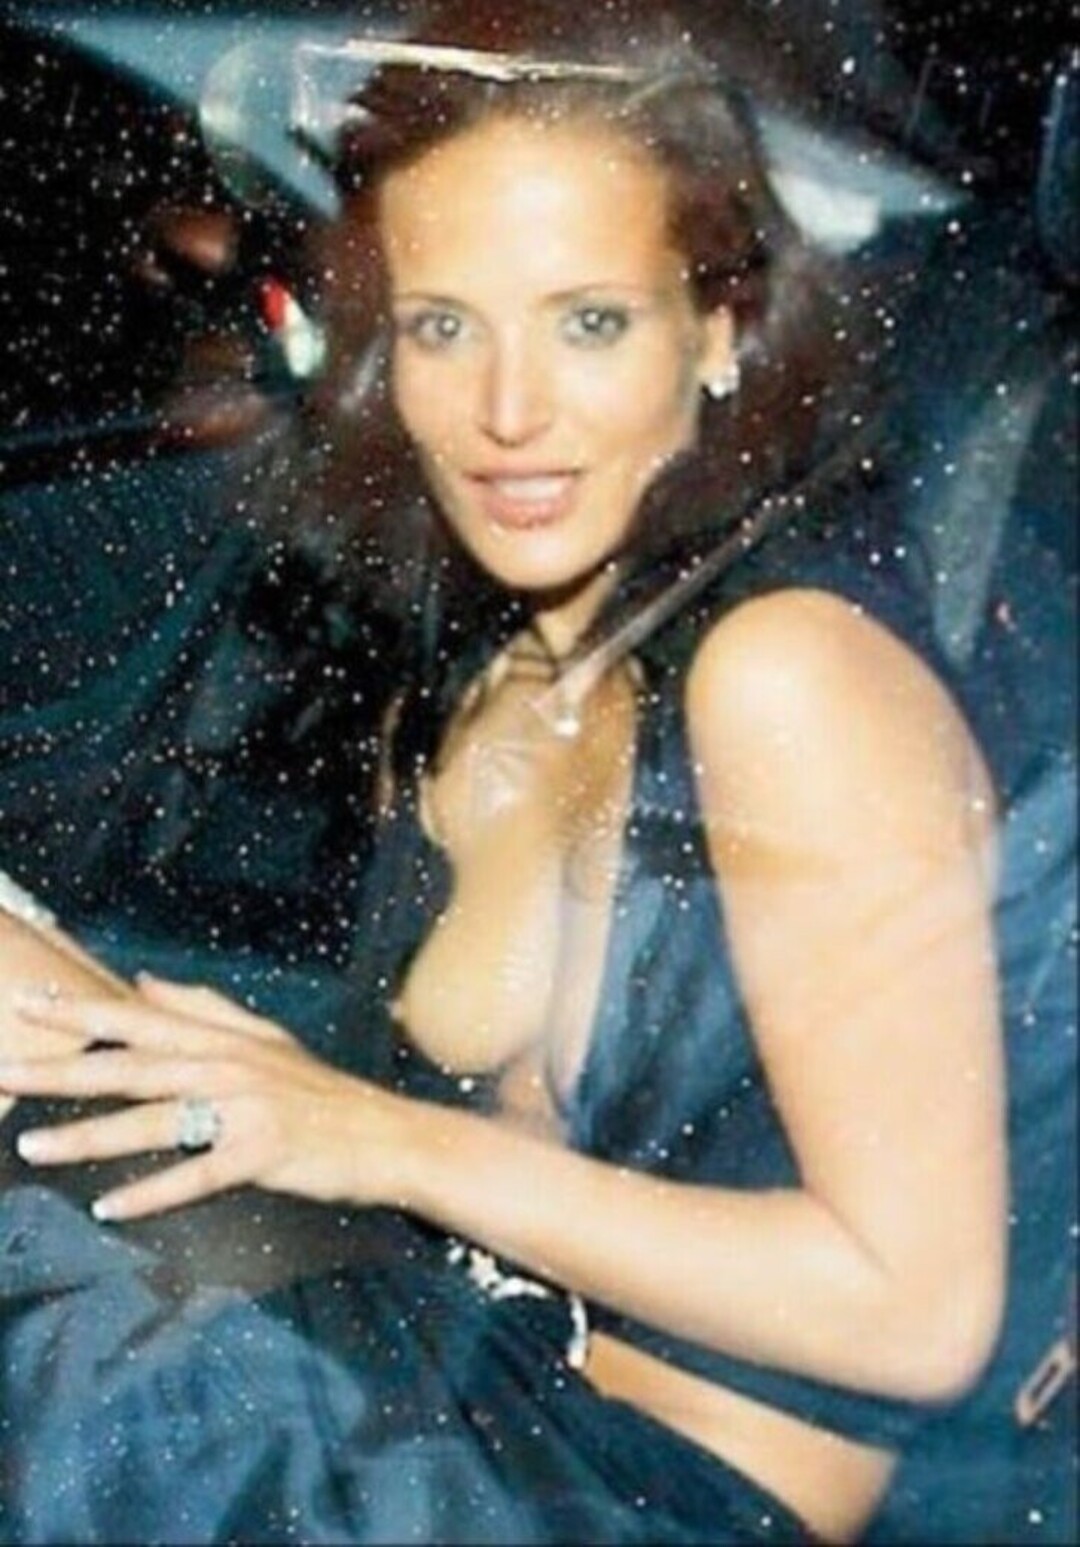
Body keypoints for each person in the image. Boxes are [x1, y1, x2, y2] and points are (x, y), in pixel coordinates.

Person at [0, 2, 1012, 1541]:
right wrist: (189, 1052)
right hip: (462, 1357)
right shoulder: (527, 653)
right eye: (442, 326)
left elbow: (917, 1311)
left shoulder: (786, 674)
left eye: (588, 322)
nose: (506, 411)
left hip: (612, 1494)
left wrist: (366, 1131)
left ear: (721, 327)